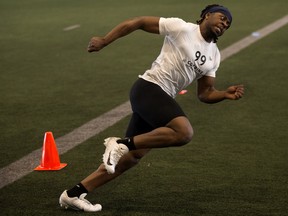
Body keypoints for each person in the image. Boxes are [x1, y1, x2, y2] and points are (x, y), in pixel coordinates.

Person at [59, 4, 244, 212]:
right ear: (207, 15)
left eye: (228, 23)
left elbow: (205, 93)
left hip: (160, 98)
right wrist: (104, 40)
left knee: (131, 158)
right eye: (222, 18)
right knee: (184, 132)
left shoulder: (214, 56)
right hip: (149, 88)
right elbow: (138, 22)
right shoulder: (181, 28)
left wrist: (224, 95)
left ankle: (73, 194)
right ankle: (119, 143)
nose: (224, 24)